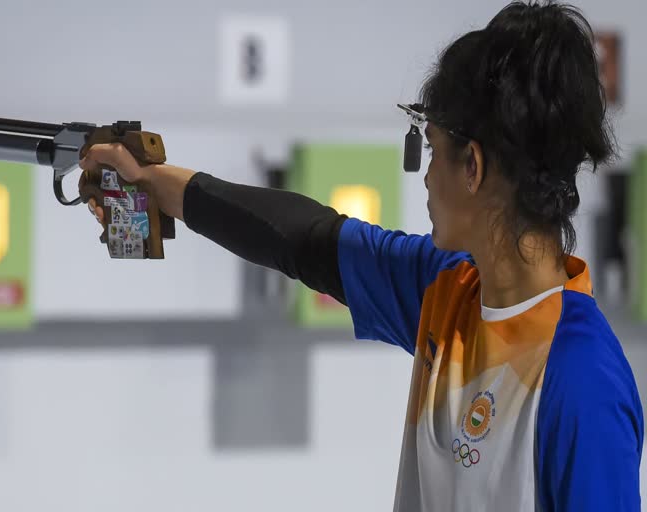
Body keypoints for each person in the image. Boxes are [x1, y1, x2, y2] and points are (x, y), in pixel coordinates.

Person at [80, 1, 643, 510]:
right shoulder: (446, 288)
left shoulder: (581, 378)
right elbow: (301, 238)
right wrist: (149, 182)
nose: (425, 177)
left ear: (472, 166)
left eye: (433, 151)